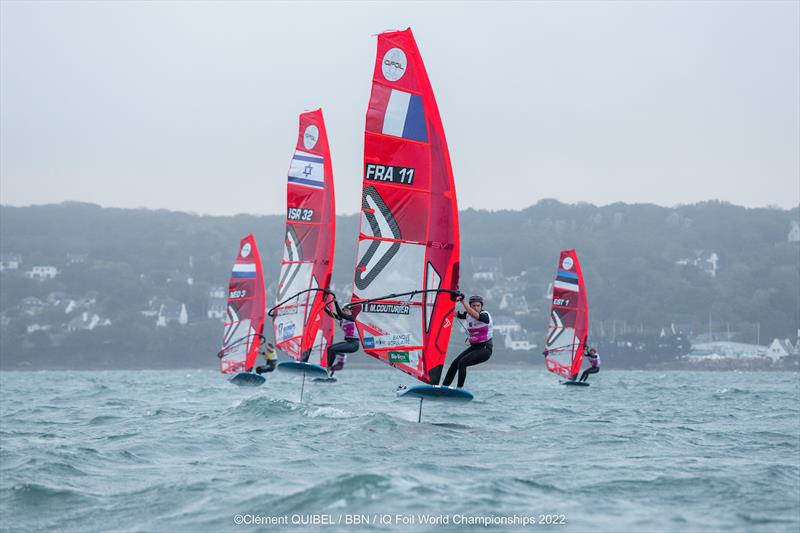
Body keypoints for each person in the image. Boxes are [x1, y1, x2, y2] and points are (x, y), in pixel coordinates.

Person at [442, 294, 493, 388]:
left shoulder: (485, 315)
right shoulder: (467, 315)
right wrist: (446, 303)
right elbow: (453, 312)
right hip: (474, 348)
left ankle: (459, 389)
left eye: (478, 305)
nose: (476, 307)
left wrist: (462, 301)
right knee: (454, 364)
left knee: (462, 363)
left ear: (481, 306)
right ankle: (443, 387)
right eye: (473, 305)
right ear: (470, 306)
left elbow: (474, 314)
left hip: (485, 349)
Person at [322, 296, 361, 377]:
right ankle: (329, 369)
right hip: (348, 343)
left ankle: (328, 369)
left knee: (333, 349)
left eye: (347, 310)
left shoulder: (353, 318)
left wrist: (335, 302)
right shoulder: (343, 319)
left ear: (351, 311)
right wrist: (323, 306)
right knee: (329, 348)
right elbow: (331, 314)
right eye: (344, 310)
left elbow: (339, 313)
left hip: (354, 344)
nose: (345, 311)